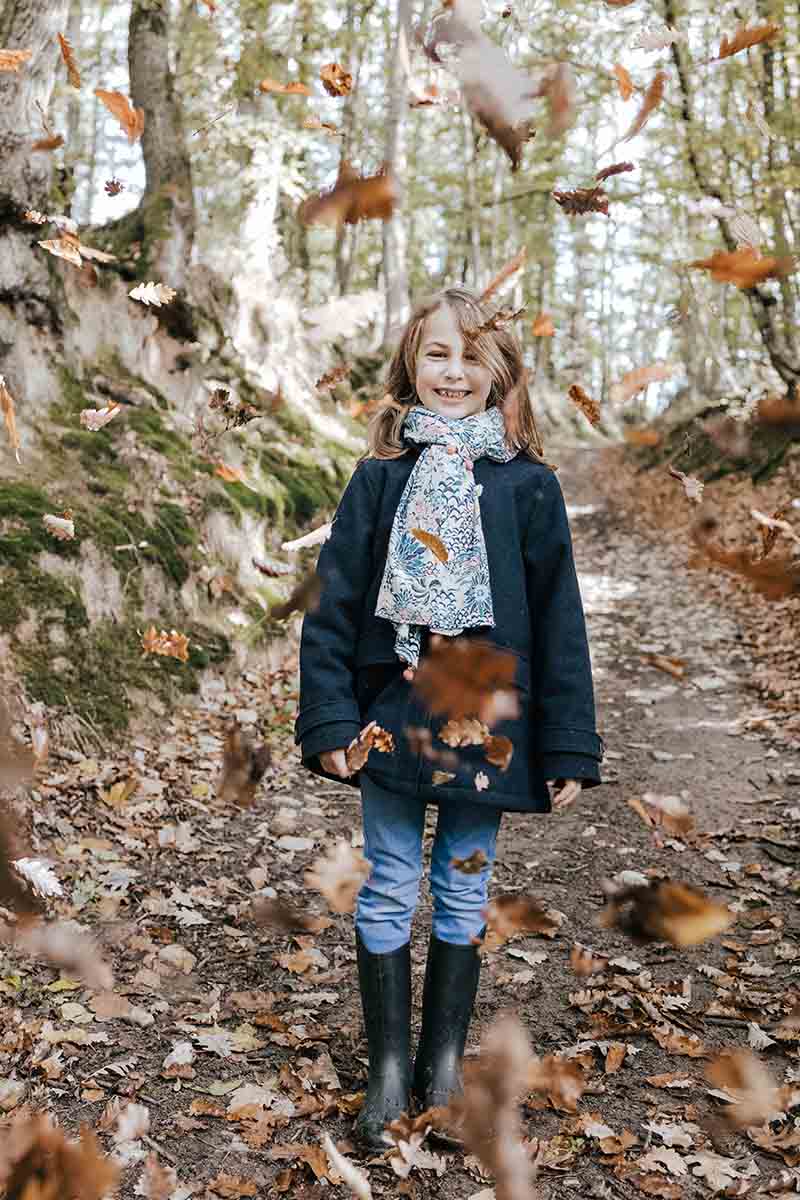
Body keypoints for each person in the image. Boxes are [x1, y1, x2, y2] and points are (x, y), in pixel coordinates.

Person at [293, 286, 604, 1151]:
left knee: (463, 885)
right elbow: (334, 604)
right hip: (391, 709)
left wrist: (569, 741)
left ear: (502, 372)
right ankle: (389, 1068)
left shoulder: (529, 487)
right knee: (391, 881)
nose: (454, 371)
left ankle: (441, 1062)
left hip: (488, 717)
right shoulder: (380, 479)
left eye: (473, 356)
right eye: (437, 353)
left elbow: (559, 619)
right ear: (410, 364)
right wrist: (327, 721)